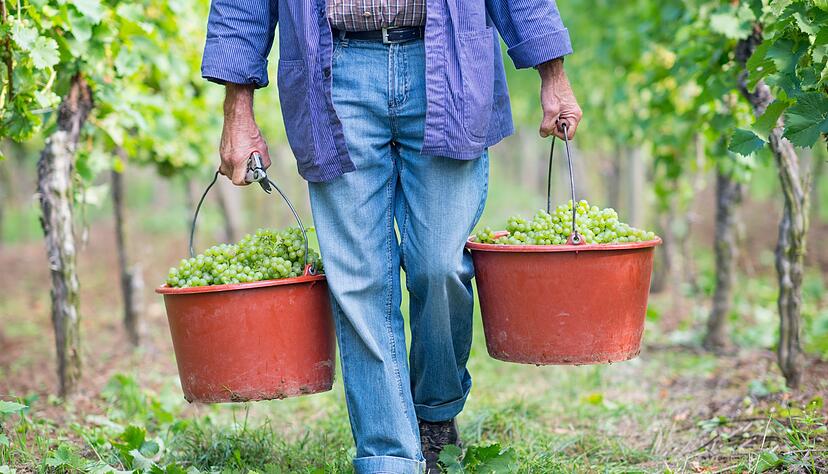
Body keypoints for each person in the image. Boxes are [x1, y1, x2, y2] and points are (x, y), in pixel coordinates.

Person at [202, 0, 582, 471]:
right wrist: (237, 110)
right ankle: (387, 457)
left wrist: (553, 73)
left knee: (440, 266)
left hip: (446, 62)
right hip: (336, 69)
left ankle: (436, 411)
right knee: (359, 280)